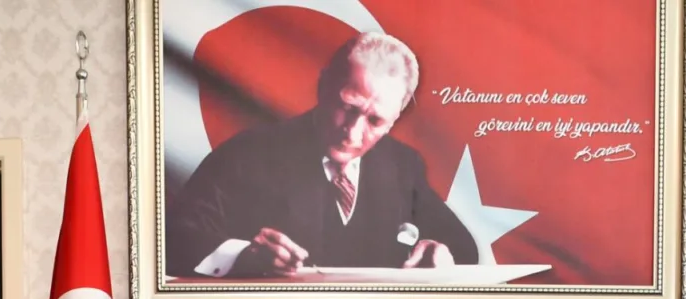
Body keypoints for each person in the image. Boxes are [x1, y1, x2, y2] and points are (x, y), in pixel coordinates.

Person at [166, 32, 479, 277]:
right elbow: (174, 238)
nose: (352, 132)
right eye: (348, 107)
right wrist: (244, 255)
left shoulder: (401, 164)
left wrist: (441, 251)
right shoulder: (247, 154)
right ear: (323, 86)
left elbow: (462, 245)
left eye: (375, 121)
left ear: (396, 117)